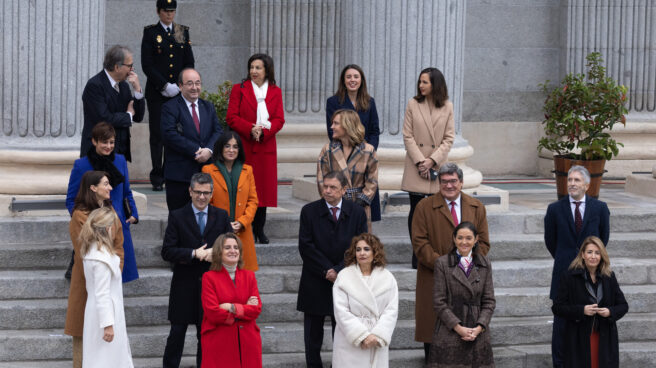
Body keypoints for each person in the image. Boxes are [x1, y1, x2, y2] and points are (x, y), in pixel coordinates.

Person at [411, 163, 490, 364]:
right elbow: (420, 244)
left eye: (453, 181)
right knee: (435, 338)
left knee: (467, 342)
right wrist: (446, 266)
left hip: (469, 282)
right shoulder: (424, 207)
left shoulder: (476, 207)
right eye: (444, 181)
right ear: (439, 183)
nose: (449, 185)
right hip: (434, 279)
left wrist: (465, 265)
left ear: (461, 182)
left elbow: (484, 243)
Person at [297, 171, 368, 368]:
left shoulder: (356, 212)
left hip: (345, 281)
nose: (327, 191)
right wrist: (327, 270)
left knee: (343, 331)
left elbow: (360, 247)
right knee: (313, 334)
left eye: (332, 187)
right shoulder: (309, 211)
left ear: (344, 190)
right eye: (325, 186)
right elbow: (306, 246)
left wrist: (339, 270)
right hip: (315, 280)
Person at [161, 173, 232, 368]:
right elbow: (167, 251)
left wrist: (215, 254)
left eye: (206, 193)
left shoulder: (221, 216)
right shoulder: (177, 215)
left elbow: (231, 248)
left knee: (206, 336)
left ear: (212, 193)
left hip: (211, 287)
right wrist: (193, 253)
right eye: (198, 192)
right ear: (190, 191)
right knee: (177, 334)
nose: (202, 197)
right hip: (184, 285)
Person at [544, 165, 610, 368]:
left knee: (587, 324)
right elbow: (551, 241)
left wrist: (587, 262)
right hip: (563, 275)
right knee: (561, 326)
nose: (572, 183)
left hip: (591, 276)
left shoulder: (599, 208)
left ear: (587, 185)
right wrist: (570, 262)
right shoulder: (555, 209)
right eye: (570, 180)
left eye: (577, 180)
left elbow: (602, 240)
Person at [64, 171, 125, 368]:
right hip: (87, 280)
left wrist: (114, 268)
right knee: (84, 337)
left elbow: (119, 246)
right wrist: (106, 265)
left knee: (109, 348)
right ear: (93, 188)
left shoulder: (111, 211)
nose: (110, 188)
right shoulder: (79, 215)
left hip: (108, 276)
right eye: (106, 184)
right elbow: (87, 248)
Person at [66, 122, 139, 283]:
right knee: (96, 277)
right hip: (93, 228)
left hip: (118, 223)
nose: (108, 146)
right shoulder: (81, 165)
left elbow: (126, 191)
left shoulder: (120, 160)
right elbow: (71, 199)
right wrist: (83, 221)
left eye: (111, 142)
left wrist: (133, 213)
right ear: (94, 141)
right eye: (104, 142)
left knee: (118, 274)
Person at [226, 53, 285, 244]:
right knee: (244, 188)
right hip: (245, 145)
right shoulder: (239, 89)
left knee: (263, 191)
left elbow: (279, 119)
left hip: (265, 146)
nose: (254, 71)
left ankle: (260, 228)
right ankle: (245, 226)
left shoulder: (275, 91)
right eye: (251, 67)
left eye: (258, 68)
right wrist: (251, 129)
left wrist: (264, 132)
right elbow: (232, 117)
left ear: (267, 70)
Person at [401, 67, 455, 269]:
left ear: (435, 84)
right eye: (420, 82)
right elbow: (407, 135)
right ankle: (418, 254)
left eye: (425, 82)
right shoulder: (413, 104)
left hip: (435, 166)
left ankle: (433, 253)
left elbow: (449, 138)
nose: (421, 85)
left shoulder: (447, 106)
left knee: (435, 210)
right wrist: (420, 162)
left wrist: (432, 160)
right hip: (417, 166)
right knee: (416, 210)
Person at [141, 0, 195, 191]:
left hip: (177, 92)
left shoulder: (180, 31)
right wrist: (164, 85)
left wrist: (181, 85)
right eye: (166, 11)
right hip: (157, 93)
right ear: (158, 11)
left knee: (176, 133)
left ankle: (170, 172)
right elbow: (147, 64)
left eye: (172, 11)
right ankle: (157, 176)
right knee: (157, 134)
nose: (169, 14)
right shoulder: (150, 32)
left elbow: (188, 61)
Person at [552, 236, 628, 368]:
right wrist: (581, 310)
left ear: (602, 256)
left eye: (597, 253)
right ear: (582, 254)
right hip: (578, 338)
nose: (593, 256)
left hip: (604, 338)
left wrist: (610, 311)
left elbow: (623, 306)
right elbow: (557, 307)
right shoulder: (569, 277)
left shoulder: (609, 277)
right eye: (589, 252)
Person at [427, 221, 496, 367]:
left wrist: (479, 328)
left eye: (469, 238)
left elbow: (489, 301)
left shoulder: (484, 263)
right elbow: (439, 302)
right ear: (454, 238)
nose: (464, 242)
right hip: (450, 328)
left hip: (477, 331)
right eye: (460, 238)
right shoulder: (442, 263)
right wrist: (458, 328)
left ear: (476, 239)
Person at [332, 233, 398, 368]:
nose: (362, 253)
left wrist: (377, 335)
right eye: (358, 249)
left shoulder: (388, 278)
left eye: (366, 249)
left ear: (375, 251)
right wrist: (361, 335)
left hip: (376, 339)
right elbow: (341, 311)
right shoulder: (344, 277)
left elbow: (391, 310)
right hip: (350, 340)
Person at [325, 64, 382, 223]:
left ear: (361, 80)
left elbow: (374, 130)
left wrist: (368, 151)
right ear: (343, 81)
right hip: (343, 157)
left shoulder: (369, 102)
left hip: (364, 158)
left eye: (356, 77)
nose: (352, 80)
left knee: (364, 211)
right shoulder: (333, 102)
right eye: (348, 77)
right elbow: (332, 132)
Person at [161, 68, 223, 211]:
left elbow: (218, 131)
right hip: (179, 175)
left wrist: (209, 149)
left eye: (197, 83)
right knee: (178, 218)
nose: (194, 87)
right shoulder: (170, 107)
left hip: (205, 173)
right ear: (180, 86)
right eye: (189, 83)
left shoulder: (208, 107)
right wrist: (196, 150)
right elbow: (169, 135)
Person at [80, 207, 134, 368]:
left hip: (101, 312)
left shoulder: (93, 251)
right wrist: (108, 325)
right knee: (105, 359)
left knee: (103, 358)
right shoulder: (101, 258)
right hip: (105, 315)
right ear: (109, 229)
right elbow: (101, 294)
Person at [200, 233, 262, 367]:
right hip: (220, 341)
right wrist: (244, 308)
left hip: (248, 340)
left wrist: (230, 307)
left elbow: (256, 309)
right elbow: (213, 313)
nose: (233, 251)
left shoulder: (249, 276)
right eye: (227, 247)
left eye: (236, 247)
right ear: (219, 252)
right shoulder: (209, 277)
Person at [202, 131, 259, 271]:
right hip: (218, 232)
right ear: (221, 148)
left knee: (244, 279)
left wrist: (242, 222)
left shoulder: (248, 170)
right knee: (220, 278)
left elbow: (253, 201)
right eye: (227, 146)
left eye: (235, 147)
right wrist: (224, 223)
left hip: (242, 232)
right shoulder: (208, 170)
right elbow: (206, 202)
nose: (231, 150)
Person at [81, 45, 145, 162]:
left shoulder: (124, 86)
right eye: (129, 66)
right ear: (117, 67)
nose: (132, 69)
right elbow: (104, 118)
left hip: (120, 153)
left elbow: (138, 116)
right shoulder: (95, 85)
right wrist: (128, 115)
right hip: (98, 154)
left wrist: (137, 90)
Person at [317, 109, 378, 232]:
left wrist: (360, 202)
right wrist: (333, 199)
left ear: (347, 126)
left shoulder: (368, 150)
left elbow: (372, 181)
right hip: (334, 206)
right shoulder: (328, 150)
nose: (331, 126)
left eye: (336, 123)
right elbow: (321, 178)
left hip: (359, 206)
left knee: (358, 244)